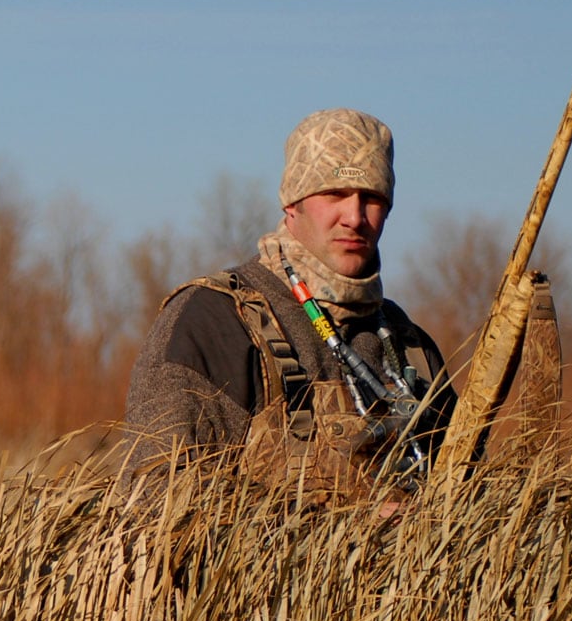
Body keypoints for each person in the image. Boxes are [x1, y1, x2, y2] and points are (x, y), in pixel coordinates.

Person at [123, 110, 469, 496]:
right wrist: (353, 517)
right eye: (334, 194)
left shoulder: (408, 346)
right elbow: (155, 501)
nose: (354, 217)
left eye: (371, 198)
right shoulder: (213, 322)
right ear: (292, 204)